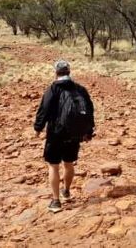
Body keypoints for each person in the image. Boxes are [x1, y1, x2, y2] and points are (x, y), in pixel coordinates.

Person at [34, 59, 95, 212]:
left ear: (56, 72)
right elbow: (89, 111)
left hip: (56, 132)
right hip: (74, 133)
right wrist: (88, 132)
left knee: (53, 166)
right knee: (68, 163)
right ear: (69, 71)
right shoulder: (80, 89)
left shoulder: (53, 89)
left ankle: (56, 201)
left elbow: (44, 110)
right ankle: (66, 191)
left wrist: (38, 127)